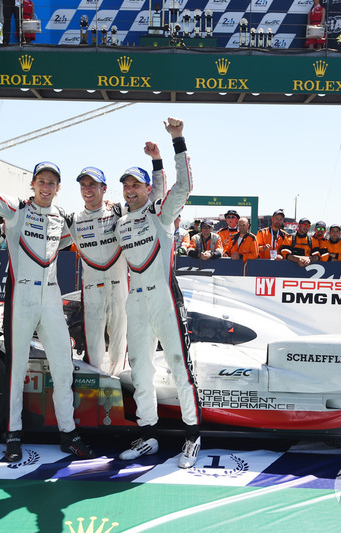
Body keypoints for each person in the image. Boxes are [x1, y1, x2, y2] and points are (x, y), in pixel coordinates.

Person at [0, 119, 95, 462]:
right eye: (42, 181)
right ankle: (13, 437)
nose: (46, 186)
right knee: (17, 369)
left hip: (52, 298)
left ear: (58, 188)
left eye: (52, 183)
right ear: (33, 184)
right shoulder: (16, 209)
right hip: (21, 297)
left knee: (63, 367)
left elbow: (83, 237)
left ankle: (69, 434)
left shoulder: (62, 216)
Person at [113, 117, 202, 469]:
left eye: (137, 185)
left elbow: (183, 186)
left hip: (166, 297)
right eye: (127, 186)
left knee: (181, 368)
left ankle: (192, 437)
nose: (131, 189)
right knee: (141, 370)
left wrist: (176, 142)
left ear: (149, 189)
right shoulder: (120, 222)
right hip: (136, 300)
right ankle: (147, 434)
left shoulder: (162, 216)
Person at [65, 154, 165, 378]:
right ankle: (93, 385)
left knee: (120, 342)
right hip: (92, 290)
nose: (88, 189)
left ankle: (117, 385)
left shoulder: (119, 210)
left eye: (93, 184)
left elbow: (152, 201)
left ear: (104, 188)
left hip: (120, 287)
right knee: (94, 345)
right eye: (83, 185)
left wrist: (157, 162)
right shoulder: (73, 219)